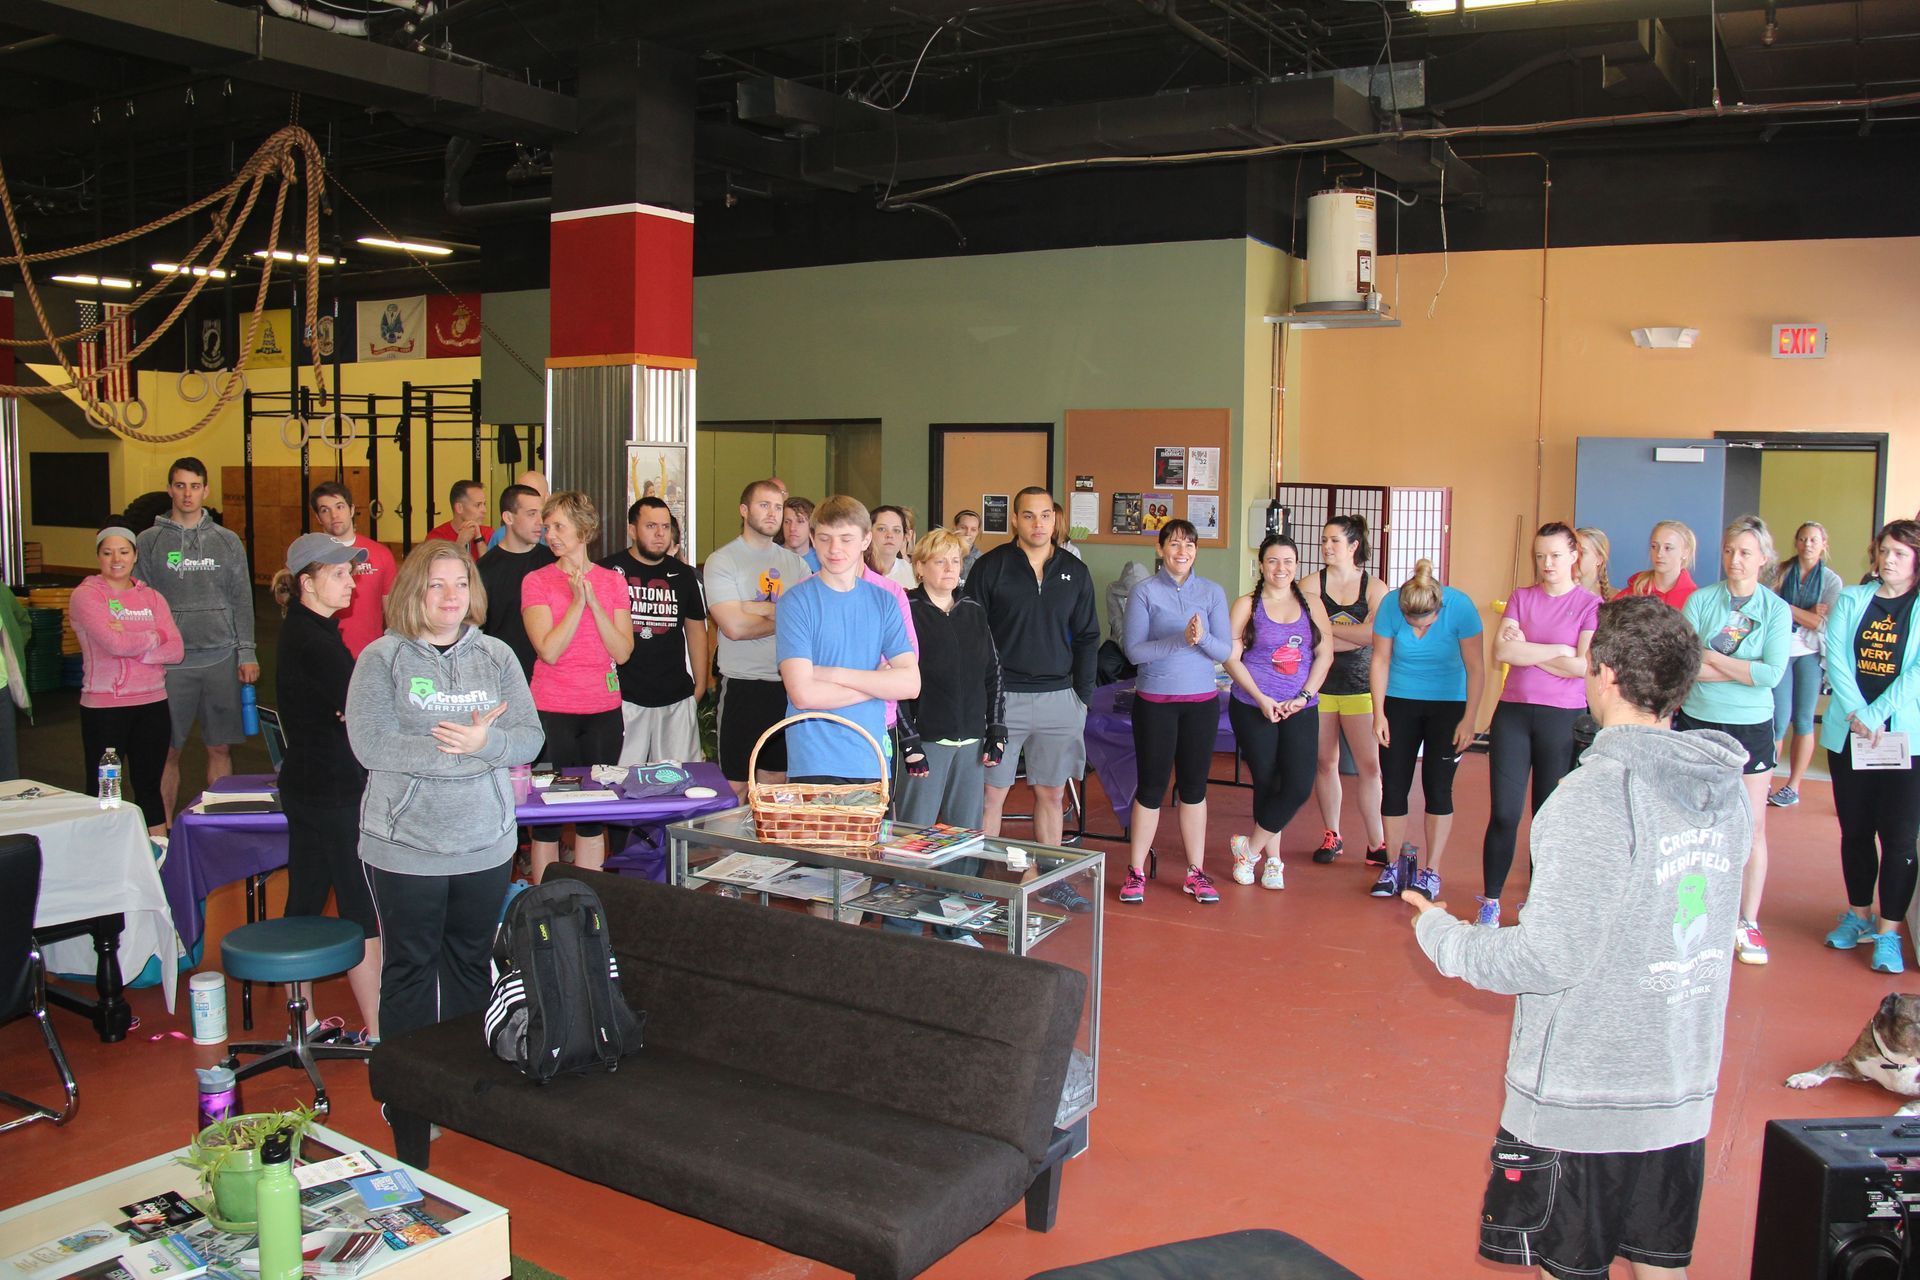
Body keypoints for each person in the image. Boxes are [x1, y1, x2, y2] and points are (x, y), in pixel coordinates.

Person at [1405, 595, 1750, 1280]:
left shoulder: (1593, 797)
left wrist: (1439, 934)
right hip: (1677, 1091)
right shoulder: (1725, 791)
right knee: (1662, 1268)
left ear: (1604, 673)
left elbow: (1545, 956)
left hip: (1585, 1100)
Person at [345, 540, 542, 1074]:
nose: (451, 595)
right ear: (415, 591)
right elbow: (371, 744)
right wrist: (460, 748)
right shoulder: (381, 658)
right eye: (437, 584)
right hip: (406, 848)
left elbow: (528, 738)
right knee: (408, 968)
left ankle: (461, 1083)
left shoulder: (497, 656)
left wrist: (487, 746)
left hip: (487, 844)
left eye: (460, 583)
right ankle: (408, 1091)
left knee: (469, 965)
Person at [270, 532, 380, 1041]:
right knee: (362, 908)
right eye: (338, 574)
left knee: (307, 898)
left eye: (350, 573)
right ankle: (383, 1031)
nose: (351, 583)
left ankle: (304, 1020)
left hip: (308, 782)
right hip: (333, 788)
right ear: (306, 582)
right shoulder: (314, 640)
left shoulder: (308, 630)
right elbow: (360, 708)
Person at [1678, 515, 1789, 966]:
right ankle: (1690, 913)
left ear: (1763, 559)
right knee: (1692, 824)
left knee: (1751, 827)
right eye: (1728, 551)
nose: (1735, 560)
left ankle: (1747, 922)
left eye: (1745, 552)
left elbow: (1770, 674)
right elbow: (1684, 667)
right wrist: (1736, 669)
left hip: (1751, 729)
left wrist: (1713, 658)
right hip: (1698, 723)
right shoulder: (1702, 601)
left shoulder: (1775, 611)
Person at [1478, 523, 1602, 929]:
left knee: (1547, 818)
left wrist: (1526, 651)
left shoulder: (1588, 604)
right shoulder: (1521, 597)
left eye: (1554, 555)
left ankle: (1540, 904)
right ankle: (1491, 901)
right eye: (1539, 556)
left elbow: (1582, 666)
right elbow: (1502, 649)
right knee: (1505, 814)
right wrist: (1556, 651)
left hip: (1563, 720)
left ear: (1573, 558)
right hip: (1513, 714)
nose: (1546, 564)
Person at [966, 487, 1100, 858]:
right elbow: (973, 635)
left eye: (1044, 515)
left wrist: (1082, 699)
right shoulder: (990, 567)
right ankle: (979, 881)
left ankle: (1051, 872)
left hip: (1060, 698)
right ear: (1014, 519)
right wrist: (982, 694)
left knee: (1052, 792)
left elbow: (1089, 637)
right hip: (1001, 700)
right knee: (992, 793)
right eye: (1028, 515)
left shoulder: (1075, 571)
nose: (1038, 524)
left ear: (1055, 519)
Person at [1819, 520, 1920, 974]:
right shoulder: (1854, 599)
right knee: (1855, 831)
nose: (1889, 560)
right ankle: (1858, 916)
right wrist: (1859, 712)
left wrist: (1877, 714)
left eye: (1900, 553)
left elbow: (1916, 671)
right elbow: (1836, 657)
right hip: (1851, 734)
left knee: (1898, 838)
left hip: (1905, 740)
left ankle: (1889, 932)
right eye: (1884, 551)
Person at [1114, 519, 1232, 905]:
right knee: (1151, 788)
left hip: (1201, 704)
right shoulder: (1144, 593)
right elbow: (1134, 652)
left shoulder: (1212, 593)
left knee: (1195, 790)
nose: (1183, 552)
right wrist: (1179, 640)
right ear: (1161, 549)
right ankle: (1135, 872)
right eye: (1175, 544)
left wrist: (1203, 639)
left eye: (1190, 545)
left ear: (1197, 551)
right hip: (1156, 705)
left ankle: (1195, 873)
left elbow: (1225, 652)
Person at [895, 528, 1005, 940]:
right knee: (911, 839)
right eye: (938, 561)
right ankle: (899, 928)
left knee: (964, 840)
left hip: (971, 745)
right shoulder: (906, 609)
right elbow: (895, 682)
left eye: (955, 561)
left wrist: (995, 728)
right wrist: (909, 743)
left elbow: (993, 673)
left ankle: (954, 924)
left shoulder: (973, 610)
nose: (948, 569)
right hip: (926, 745)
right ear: (919, 567)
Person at [135, 457, 257, 820]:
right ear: (170, 489)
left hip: (221, 657)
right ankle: (163, 833)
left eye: (194, 486)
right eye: (180, 485)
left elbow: (241, 598)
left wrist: (246, 652)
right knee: (166, 751)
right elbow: (141, 600)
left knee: (219, 748)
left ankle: (216, 828)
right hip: (171, 662)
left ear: (205, 490)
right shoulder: (150, 542)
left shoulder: (227, 541)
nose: (187, 494)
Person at [520, 491, 634, 879]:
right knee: (548, 818)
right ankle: (542, 908)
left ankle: (590, 909)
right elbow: (549, 650)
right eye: (546, 527)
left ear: (584, 530)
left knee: (592, 816)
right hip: (552, 710)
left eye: (558, 526)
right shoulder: (536, 581)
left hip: (602, 711)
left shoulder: (611, 582)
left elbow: (622, 652)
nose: (549, 534)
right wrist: (576, 604)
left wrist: (595, 602)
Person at [776, 496, 919, 782]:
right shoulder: (796, 601)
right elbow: (804, 694)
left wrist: (830, 674)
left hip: (870, 756)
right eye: (826, 538)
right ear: (813, 539)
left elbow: (910, 684)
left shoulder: (885, 601)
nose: (835, 549)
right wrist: (876, 686)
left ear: (866, 540)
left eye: (846, 539)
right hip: (814, 759)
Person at [1223, 533, 1334, 894]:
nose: (1280, 568)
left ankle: (1249, 850)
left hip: (1301, 707)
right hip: (1254, 707)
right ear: (1261, 565)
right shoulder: (1245, 605)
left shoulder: (1312, 603)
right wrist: (1260, 697)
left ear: (1297, 565)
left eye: (1288, 561)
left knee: (1299, 784)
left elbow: (1324, 655)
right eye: (1272, 561)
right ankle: (1273, 862)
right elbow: (1230, 658)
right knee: (1267, 782)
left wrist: (1303, 696)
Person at [1370, 558, 1485, 902]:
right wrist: (1379, 714)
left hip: (1448, 704)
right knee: (1393, 786)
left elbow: (1476, 668)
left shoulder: (1461, 608)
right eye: (1411, 623)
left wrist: (1470, 719)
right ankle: (1391, 866)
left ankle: (1431, 871)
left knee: (1438, 788)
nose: (1417, 630)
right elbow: (1380, 660)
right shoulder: (1391, 604)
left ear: (1438, 608)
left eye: (1425, 623)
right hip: (1400, 701)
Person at [71, 527, 182, 834]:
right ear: (98, 557)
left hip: (152, 703)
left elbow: (175, 649)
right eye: (108, 553)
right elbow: (113, 645)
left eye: (123, 552)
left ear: (135, 556)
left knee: (149, 786)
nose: (116, 559)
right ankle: (102, 854)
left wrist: (139, 645)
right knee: (105, 789)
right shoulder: (86, 596)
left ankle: (158, 858)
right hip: (106, 706)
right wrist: (153, 637)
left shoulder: (152, 597)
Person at [706, 479, 810, 801]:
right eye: (764, 505)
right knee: (735, 785)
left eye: (778, 507)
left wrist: (760, 609)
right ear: (744, 510)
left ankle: (768, 853)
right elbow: (734, 627)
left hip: (785, 685)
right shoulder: (723, 561)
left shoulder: (797, 564)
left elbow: (809, 622)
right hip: (743, 684)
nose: (773, 513)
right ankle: (729, 852)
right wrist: (785, 614)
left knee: (775, 782)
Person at [600, 496, 708, 764]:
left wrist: (700, 686)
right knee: (619, 780)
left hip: (675, 696)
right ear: (632, 530)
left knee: (677, 781)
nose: (660, 534)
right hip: (623, 697)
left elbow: (696, 632)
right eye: (651, 526)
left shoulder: (684, 575)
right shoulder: (607, 571)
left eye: (665, 527)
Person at [1311, 515, 1389, 866]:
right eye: (1324, 540)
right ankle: (1332, 834)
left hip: (1361, 688)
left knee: (1370, 767)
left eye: (1334, 541)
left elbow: (1377, 636)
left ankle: (1376, 843)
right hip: (1320, 687)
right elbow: (1311, 639)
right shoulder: (1311, 583)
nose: (1326, 546)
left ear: (1354, 545)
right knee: (1326, 762)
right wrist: (1343, 638)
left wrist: (1329, 638)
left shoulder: (1375, 588)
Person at [1768, 521, 1843, 808]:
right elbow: (1769, 608)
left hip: (1810, 653)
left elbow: (1821, 622)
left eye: (1814, 539)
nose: (1808, 544)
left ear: (1824, 544)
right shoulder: (1780, 572)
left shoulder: (1831, 581)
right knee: (1778, 719)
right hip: (1780, 651)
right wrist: (1805, 612)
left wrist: (1788, 609)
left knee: (1803, 719)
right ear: (1796, 542)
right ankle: (1767, 781)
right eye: (1803, 538)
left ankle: (1793, 786)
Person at [476, 483, 557, 683]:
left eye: (542, 514)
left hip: (549, 674)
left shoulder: (554, 562)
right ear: (508, 517)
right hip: (502, 675)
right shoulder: (483, 569)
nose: (540, 522)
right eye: (531, 514)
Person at [307, 482, 397, 660]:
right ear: (318, 518)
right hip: (325, 654)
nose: (334, 515)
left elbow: (392, 611)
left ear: (351, 509)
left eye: (339, 507)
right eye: (325, 510)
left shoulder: (380, 554)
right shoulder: (312, 560)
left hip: (370, 655)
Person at [1615, 519, 1698, 607]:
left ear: (1686, 552)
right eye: (1654, 546)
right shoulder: (1630, 594)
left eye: (1668, 548)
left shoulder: (1696, 599)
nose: (1659, 554)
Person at [425, 479, 493, 561]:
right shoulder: (437, 537)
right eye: (478, 505)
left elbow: (493, 569)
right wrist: (460, 543)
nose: (484, 510)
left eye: (484, 504)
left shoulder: (489, 533)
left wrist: (479, 539)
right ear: (459, 508)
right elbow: (437, 569)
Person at [484, 470, 548, 550]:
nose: (528, 497)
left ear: (547, 497)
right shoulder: (500, 535)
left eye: (533, 493)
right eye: (521, 491)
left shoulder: (553, 534)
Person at [868, 505, 918, 590]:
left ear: (905, 536)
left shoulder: (914, 575)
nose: (890, 535)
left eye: (896, 530)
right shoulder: (854, 571)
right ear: (868, 534)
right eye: (882, 529)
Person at [782, 495, 820, 570]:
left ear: (811, 526)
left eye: (800, 521)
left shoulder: (822, 560)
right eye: (787, 522)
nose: (792, 528)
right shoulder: (769, 556)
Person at [1575, 526, 1613, 600]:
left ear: (1599, 559)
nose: (1574, 557)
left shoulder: (1615, 596)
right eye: (1572, 551)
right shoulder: (1557, 592)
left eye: (1582, 552)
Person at [952, 509, 983, 580]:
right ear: (954, 528)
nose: (968, 533)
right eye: (963, 528)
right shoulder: (941, 553)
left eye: (973, 529)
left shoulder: (982, 560)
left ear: (978, 532)